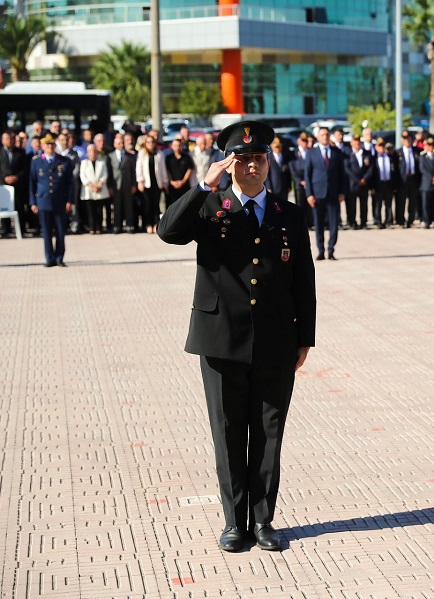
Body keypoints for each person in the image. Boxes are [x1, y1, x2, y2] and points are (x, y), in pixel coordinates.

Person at [157, 120, 316, 553]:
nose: (251, 166)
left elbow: (304, 279)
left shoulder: (290, 215)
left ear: (269, 162)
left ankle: (263, 521)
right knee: (228, 432)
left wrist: (306, 338)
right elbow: (168, 231)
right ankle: (234, 522)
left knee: (269, 432)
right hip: (220, 337)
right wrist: (201, 188)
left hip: (276, 340)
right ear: (229, 165)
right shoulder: (210, 207)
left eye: (258, 158)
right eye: (242, 159)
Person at [29, 134, 74, 266]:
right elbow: (32, 182)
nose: (49, 146)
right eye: (47, 144)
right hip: (43, 201)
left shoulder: (64, 161)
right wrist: (33, 202)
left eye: (52, 144)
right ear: (42, 146)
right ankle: (49, 258)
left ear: (55, 145)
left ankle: (59, 257)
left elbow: (70, 183)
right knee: (47, 232)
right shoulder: (36, 161)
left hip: (60, 201)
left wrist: (70, 200)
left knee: (60, 232)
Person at [305, 125, 346, 260]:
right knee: (319, 223)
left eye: (327, 135)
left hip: (333, 193)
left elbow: (342, 174)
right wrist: (309, 194)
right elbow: (308, 175)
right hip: (317, 194)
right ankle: (321, 250)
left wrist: (342, 192)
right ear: (318, 137)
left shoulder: (336, 152)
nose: (325, 137)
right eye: (323, 135)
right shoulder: (311, 153)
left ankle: (331, 250)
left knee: (334, 224)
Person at [0, 130, 32, 236]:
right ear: (2, 140)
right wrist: (4, 178)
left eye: (11, 139)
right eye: (7, 139)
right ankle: (6, 229)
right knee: (3, 206)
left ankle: (21, 229)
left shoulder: (21, 153)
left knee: (19, 207)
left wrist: (16, 177)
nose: (9, 141)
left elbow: (25, 169)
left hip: (18, 184)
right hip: (3, 185)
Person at [136, 135, 169, 233]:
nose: (150, 144)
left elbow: (163, 168)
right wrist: (140, 181)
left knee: (156, 205)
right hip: (146, 183)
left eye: (152, 142)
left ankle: (156, 224)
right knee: (147, 205)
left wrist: (164, 181)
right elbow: (139, 168)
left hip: (157, 183)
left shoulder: (159, 154)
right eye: (148, 142)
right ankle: (148, 224)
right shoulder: (142, 153)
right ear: (145, 143)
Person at [343, 133, 373, 229]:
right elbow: (347, 169)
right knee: (352, 204)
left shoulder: (366, 153)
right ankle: (352, 222)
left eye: (358, 141)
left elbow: (371, 168)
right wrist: (357, 180)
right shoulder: (348, 154)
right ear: (351, 143)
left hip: (364, 183)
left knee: (364, 204)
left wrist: (365, 178)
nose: (357, 143)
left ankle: (363, 222)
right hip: (353, 184)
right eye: (355, 141)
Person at [79, 144, 111, 234]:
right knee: (90, 211)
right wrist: (92, 186)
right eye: (90, 151)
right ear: (87, 153)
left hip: (100, 189)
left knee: (99, 210)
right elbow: (83, 176)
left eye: (94, 151)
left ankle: (99, 227)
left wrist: (99, 185)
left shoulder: (101, 162)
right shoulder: (84, 163)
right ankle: (92, 227)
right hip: (89, 190)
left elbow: (105, 175)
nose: (93, 153)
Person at [109, 133, 137, 233]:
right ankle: (117, 225)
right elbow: (109, 172)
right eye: (118, 143)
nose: (121, 144)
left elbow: (133, 171)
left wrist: (134, 184)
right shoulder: (110, 156)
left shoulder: (129, 156)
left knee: (128, 205)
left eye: (122, 143)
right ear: (114, 144)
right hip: (116, 185)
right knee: (117, 206)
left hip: (127, 184)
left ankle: (129, 225)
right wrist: (110, 186)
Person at [396, 131, 421, 228]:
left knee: (413, 201)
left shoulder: (416, 151)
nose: (407, 141)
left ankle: (410, 220)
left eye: (409, 139)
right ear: (402, 140)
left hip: (413, 179)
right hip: (402, 180)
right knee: (401, 202)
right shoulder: (398, 152)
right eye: (405, 139)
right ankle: (401, 220)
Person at [371, 138, 397, 228]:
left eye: (382, 146)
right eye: (379, 146)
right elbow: (372, 173)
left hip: (388, 182)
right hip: (378, 183)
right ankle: (378, 220)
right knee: (378, 204)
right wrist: (372, 186)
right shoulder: (374, 158)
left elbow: (394, 172)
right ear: (376, 147)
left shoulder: (390, 157)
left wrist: (394, 185)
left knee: (388, 203)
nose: (381, 148)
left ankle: (389, 220)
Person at [164, 137, 195, 210]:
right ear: (172, 146)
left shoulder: (186, 157)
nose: (177, 147)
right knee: (172, 207)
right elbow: (167, 171)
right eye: (175, 145)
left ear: (181, 146)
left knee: (184, 206)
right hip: (172, 187)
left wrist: (183, 181)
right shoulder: (169, 158)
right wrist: (171, 182)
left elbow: (189, 169)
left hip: (184, 186)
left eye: (179, 145)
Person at [265, 136, 292, 204]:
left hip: (284, 188)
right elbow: (267, 174)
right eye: (276, 146)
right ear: (272, 147)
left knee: (284, 206)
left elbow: (288, 173)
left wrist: (289, 185)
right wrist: (268, 187)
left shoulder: (285, 157)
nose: (277, 148)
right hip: (274, 188)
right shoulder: (268, 158)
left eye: (279, 146)